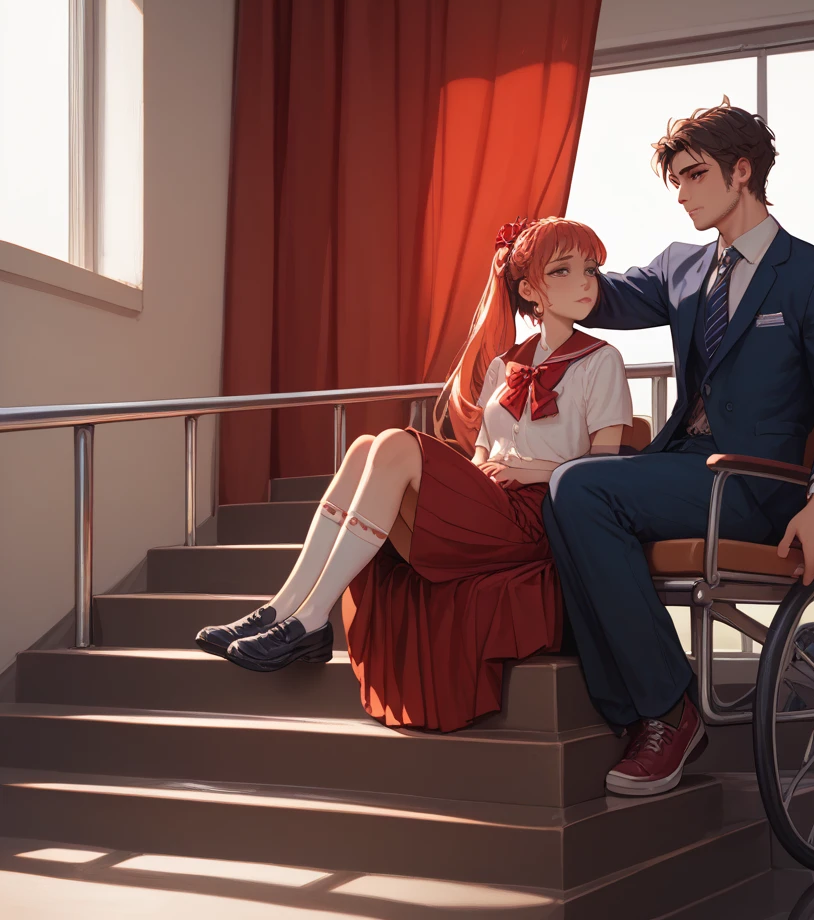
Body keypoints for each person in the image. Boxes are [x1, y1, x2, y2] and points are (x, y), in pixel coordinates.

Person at [543, 97, 814, 797]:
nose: (684, 195)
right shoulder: (680, 268)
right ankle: (634, 711)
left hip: (757, 487)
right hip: (684, 470)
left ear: (743, 171)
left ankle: (668, 711)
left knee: (579, 485)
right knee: (565, 489)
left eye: (696, 176)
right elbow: (597, 298)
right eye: (677, 182)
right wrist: (534, 258)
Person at [195, 217, 634, 732]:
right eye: (564, 271)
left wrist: (533, 467)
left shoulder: (603, 361)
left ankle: (310, 619)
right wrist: (490, 473)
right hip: (494, 505)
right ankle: (287, 608)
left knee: (398, 445)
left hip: (547, 514)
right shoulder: (502, 367)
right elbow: (485, 457)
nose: (586, 283)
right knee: (364, 448)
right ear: (530, 290)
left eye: (591, 269)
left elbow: (607, 471)